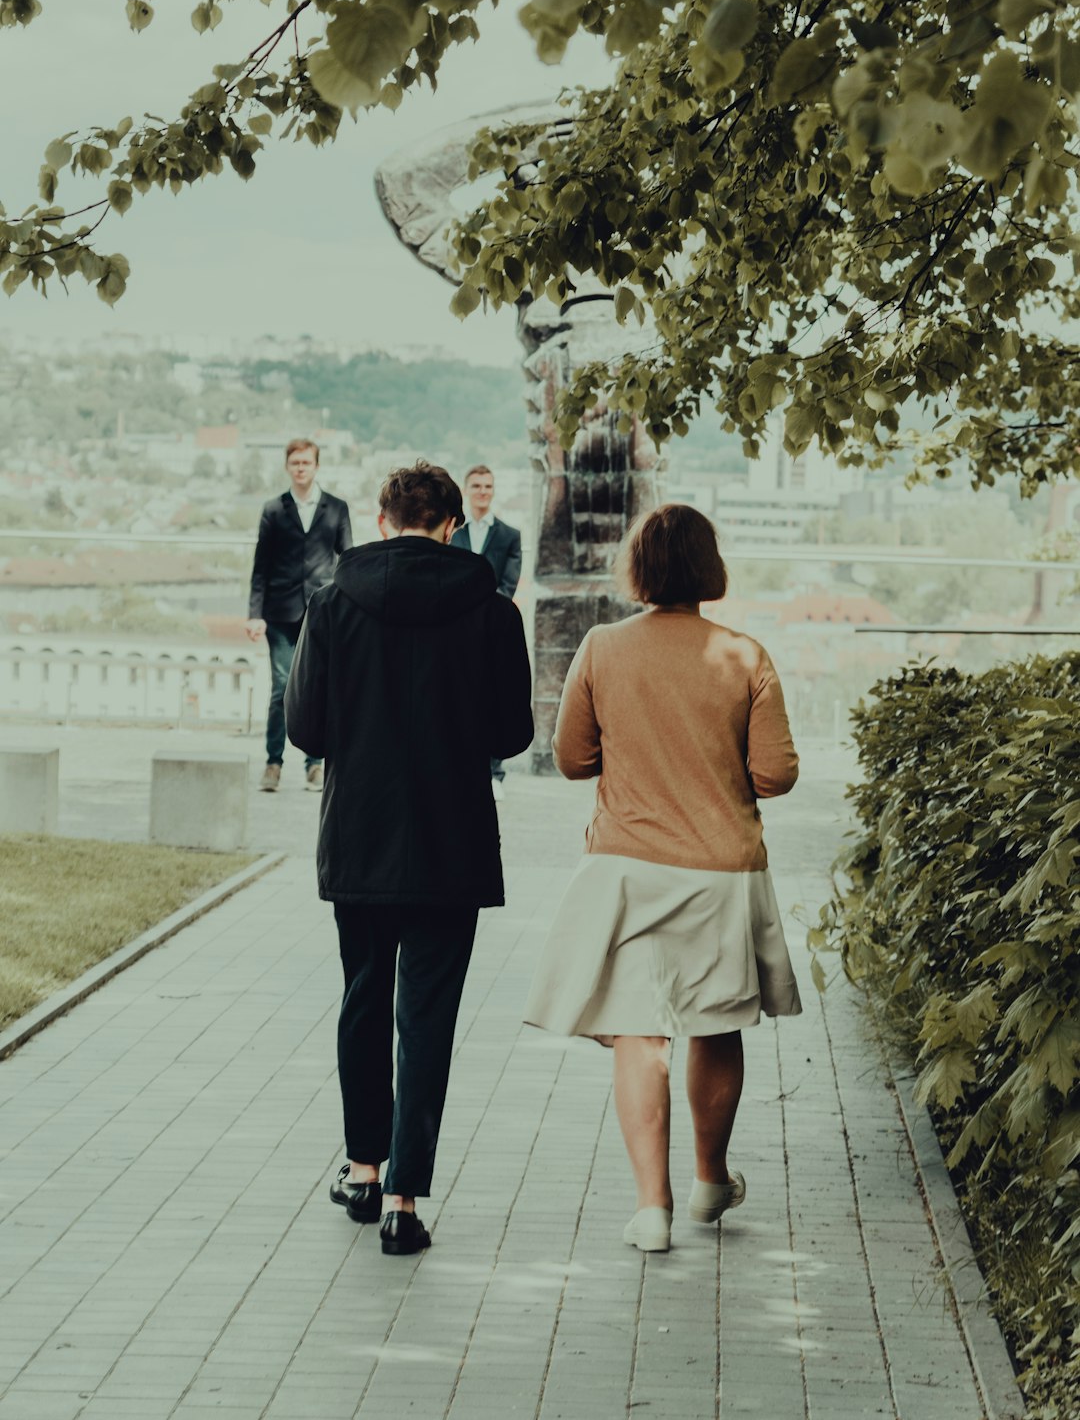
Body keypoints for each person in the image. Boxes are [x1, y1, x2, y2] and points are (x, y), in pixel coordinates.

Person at [524, 503, 801, 1254]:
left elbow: (573, 757)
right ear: (710, 567)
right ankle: (711, 1176)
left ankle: (653, 1207)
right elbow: (774, 773)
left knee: (639, 1031)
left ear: (637, 568)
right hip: (721, 870)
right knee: (716, 1021)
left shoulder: (602, 647)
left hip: (629, 867)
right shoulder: (745, 655)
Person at [285, 461, 534, 1257]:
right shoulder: (492, 613)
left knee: (364, 999)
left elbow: (306, 731)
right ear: (454, 526)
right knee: (425, 1017)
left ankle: (361, 1166)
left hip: (359, 835)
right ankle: (403, 1199)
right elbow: (511, 736)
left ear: (383, 521)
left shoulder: (332, 605)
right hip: (451, 840)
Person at [246, 438, 352, 793]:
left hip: (323, 611)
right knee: (281, 689)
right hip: (279, 612)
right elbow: (260, 566)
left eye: (307, 462)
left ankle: (315, 765)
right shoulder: (274, 509)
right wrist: (254, 614)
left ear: (316, 466)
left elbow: (347, 560)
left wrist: (350, 608)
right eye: (295, 463)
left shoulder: (337, 508)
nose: (301, 468)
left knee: (322, 686)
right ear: (287, 467)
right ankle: (273, 762)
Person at [450, 464, 523, 801]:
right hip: (456, 625)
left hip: (492, 627)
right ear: (466, 490)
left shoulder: (509, 536)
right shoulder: (454, 534)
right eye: (476, 485)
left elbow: (507, 584)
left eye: (487, 486)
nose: (482, 491)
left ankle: (495, 772)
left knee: (493, 695)